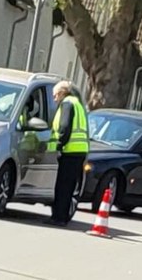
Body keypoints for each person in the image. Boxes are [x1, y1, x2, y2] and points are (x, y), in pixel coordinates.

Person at [45, 81, 89, 226]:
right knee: (69, 187)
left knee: (62, 186)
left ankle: (58, 217)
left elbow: (65, 126)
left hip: (70, 151)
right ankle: (63, 216)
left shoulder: (67, 104)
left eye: (55, 95)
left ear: (62, 93)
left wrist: (59, 145)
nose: (54, 99)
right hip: (79, 151)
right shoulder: (77, 103)